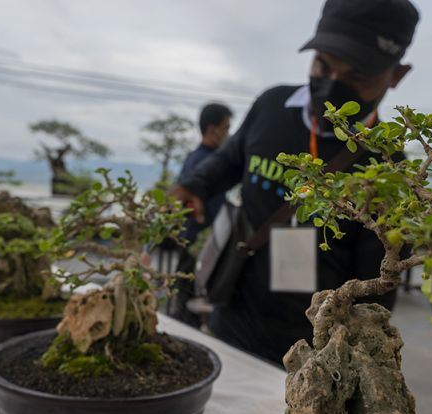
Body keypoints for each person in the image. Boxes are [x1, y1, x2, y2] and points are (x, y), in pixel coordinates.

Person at [170, 0, 419, 365]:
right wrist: (193, 185)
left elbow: (379, 288)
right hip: (232, 309)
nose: (333, 84)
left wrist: (350, 360)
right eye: (323, 64)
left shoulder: (390, 170)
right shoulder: (272, 105)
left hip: (310, 347)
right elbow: (230, 159)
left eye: (357, 76)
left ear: (396, 75)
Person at [168, 102, 233, 326]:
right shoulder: (203, 161)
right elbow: (186, 202)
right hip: (195, 242)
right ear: (212, 129)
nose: (228, 133)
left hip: (201, 241)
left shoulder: (200, 157)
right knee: (188, 303)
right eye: (226, 128)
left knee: (191, 300)